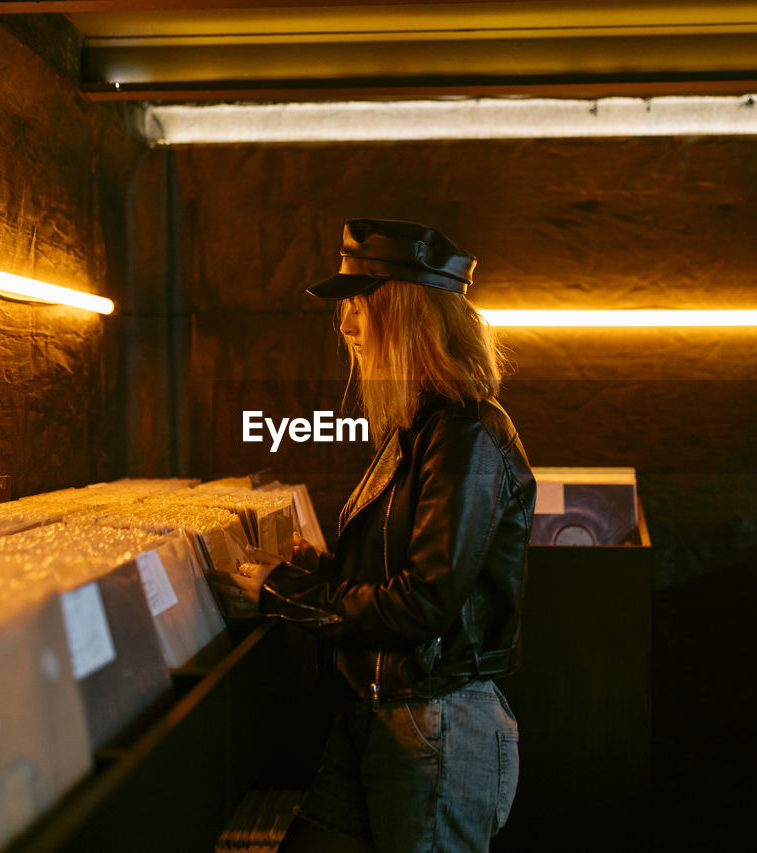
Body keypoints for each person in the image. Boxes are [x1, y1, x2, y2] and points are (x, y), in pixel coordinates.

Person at [223, 218, 535, 853]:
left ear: (405, 312)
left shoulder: (465, 433)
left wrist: (280, 591)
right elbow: (405, 568)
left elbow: (423, 602)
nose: (343, 327)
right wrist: (326, 567)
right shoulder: (422, 427)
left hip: (436, 725)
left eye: (358, 305)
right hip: (380, 714)